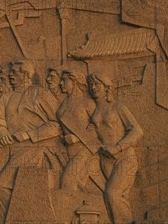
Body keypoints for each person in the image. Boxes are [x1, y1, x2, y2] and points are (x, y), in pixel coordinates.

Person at [0, 60, 62, 223]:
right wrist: (2, 133)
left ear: (25, 75)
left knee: (1, 185)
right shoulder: (7, 97)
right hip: (15, 151)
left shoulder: (40, 93)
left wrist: (30, 134)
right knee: (2, 187)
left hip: (37, 149)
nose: (10, 75)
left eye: (14, 72)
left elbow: (58, 124)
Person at [88, 72, 143, 224]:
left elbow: (137, 131)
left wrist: (118, 147)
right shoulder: (94, 112)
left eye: (97, 84)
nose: (93, 87)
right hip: (106, 162)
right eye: (90, 85)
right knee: (113, 198)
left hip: (125, 158)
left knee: (112, 194)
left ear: (106, 87)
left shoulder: (117, 106)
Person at [56, 69, 99, 192]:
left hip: (85, 149)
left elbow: (98, 127)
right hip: (68, 151)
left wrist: (77, 137)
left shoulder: (88, 103)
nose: (60, 83)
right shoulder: (63, 104)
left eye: (64, 80)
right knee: (78, 186)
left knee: (67, 181)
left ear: (74, 82)